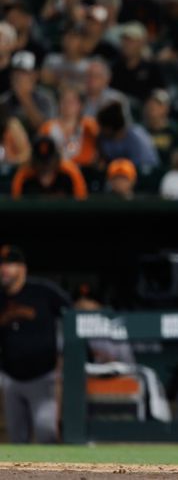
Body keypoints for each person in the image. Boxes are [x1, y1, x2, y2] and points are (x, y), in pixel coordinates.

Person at [0, 244, 72, 443]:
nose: (3, 269)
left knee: (46, 431)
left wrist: (64, 356)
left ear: (22, 268)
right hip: (11, 378)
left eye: (9, 264)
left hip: (44, 376)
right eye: (1, 265)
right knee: (16, 438)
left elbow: (71, 316)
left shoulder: (42, 291)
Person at [40, 86, 100, 168]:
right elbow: (42, 153)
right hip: (54, 170)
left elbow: (92, 155)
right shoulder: (47, 127)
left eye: (72, 102)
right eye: (64, 101)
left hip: (84, 170)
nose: (67, 105)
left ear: (80, 105)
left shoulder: (89, 126)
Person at [11, 135, 87, 199]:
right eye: (41, 161)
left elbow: (81, 201)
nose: (45, 165)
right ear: (34, 160)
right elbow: (16, 204)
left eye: (48, 161)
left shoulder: (69, 172)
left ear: (56, 158)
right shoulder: (24, 176)